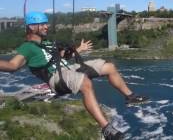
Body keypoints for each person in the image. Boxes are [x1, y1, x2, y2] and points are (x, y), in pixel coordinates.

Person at [0, 12, 149, 140]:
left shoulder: (46, 43)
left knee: (109, 67)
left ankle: (130, 97)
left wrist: (79, 49)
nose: (47, 26)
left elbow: (60, 58)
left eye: (46, 23)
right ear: (32, 27)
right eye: (42, 24)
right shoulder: (27, 47)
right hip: (55, 77)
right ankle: (106, 128)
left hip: (66, 68)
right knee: (85, 83)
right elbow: (12, 66)